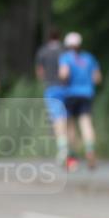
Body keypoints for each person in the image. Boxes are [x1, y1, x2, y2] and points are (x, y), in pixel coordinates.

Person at [59, 32, 102, 170]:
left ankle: (71, 158)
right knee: (86, 123)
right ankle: (90, 150)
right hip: (86, 94)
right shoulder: (89, 58)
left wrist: (64, 81)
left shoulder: (66, 58)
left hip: (71, 94)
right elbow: (97, 78)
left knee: (70, 127)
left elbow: (64, 74)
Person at [35, 28, 69, 164]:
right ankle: (67, 147)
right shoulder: (65, 51)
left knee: (57, 118)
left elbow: (39, 71)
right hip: (66, 87)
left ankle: (63, 149)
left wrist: (44, 80)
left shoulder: (43, 51)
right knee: (67, 118)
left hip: (51, 88)